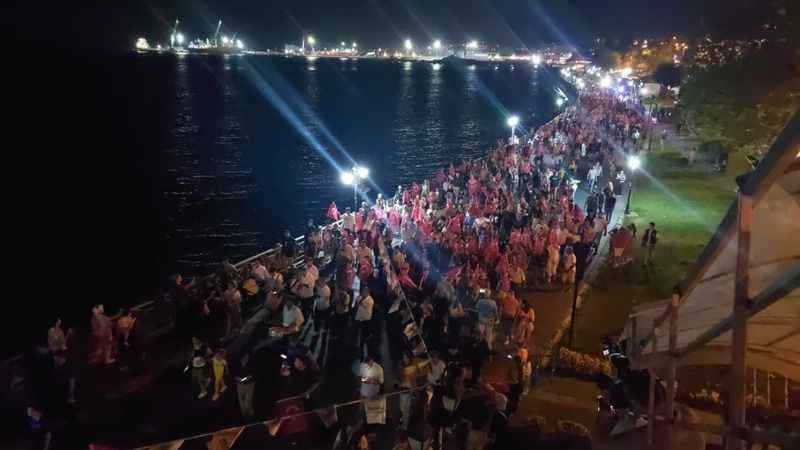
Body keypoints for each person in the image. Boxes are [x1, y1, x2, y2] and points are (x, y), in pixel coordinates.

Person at [354, 287, 375, 356]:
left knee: (363, 335)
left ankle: (363, 351)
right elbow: (356, 304)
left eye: (364, 292)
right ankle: (358, 346)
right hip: (359, 318)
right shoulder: (361, 297)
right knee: (358, 333)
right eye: (362, 291)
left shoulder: (370, 300)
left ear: (367, 292)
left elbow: (360, 304)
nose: (362, 293)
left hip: (365, 320)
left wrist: (359, 300)